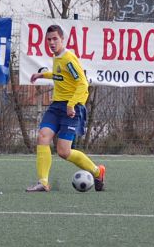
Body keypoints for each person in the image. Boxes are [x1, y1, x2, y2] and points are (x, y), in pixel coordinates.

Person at [26, 24, 106, 192]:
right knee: (42, 137)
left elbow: (82, 83)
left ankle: (97, 172)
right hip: (57, 106)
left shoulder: (68, 58)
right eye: (49, 40)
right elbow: (60, 76)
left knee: (63, 151)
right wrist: (43, 74)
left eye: (55, 39)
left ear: (62, 39)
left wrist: (71, 104)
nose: (52, 42)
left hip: (72, 107)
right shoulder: (57, 57)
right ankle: (43, 182)